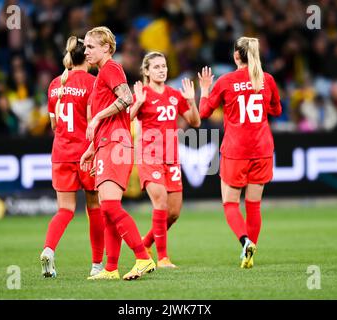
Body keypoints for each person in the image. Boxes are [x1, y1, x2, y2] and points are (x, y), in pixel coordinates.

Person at [198, 36, 282, 268]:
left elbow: (204, 112)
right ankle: (250, 251)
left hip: (236, 150)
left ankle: (245, 242)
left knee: (230, 203)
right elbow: (276, 109)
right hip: (262, 148)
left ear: (236, 55)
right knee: (253, 205)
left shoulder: (226, 81)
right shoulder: (267, 79)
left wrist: (204, 90)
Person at [80, 26, 155, 281]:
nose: (86, 51)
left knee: (110, 206)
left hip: (116, 144)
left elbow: (126, 98)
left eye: (91, 46)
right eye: (85, 46)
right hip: (106, 144)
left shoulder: (111, 68)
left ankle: (143, 257)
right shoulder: (103, 73)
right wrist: (93, 148)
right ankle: (111, 268)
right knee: (106, 210)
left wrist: (96, 118)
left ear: (106, 48)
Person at [40, 36, 105, 278]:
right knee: (95, 207)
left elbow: (54, 124)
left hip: (61, 153)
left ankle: (49, 249)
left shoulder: (55, 83)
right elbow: (94, 121)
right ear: (86, 56)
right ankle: (97, 265)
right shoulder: (93, 83)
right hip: (86, 153)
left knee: (65, 210)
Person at [129, 52, 200, 268]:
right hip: (149, 155)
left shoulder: (173, 95)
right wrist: (137, 103)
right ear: (147, 71)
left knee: (174, 212)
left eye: (164, 66)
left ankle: (145, 243)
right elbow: (126, 120)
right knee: (160, 202)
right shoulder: (142, 94)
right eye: (157, 66)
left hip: (171, 157)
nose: (162, 70)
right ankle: (162, 258)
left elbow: (194, 122)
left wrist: (191, 101)